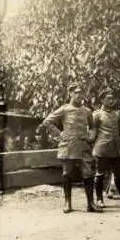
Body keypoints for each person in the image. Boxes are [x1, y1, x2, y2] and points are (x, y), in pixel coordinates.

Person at [42, 82, 101, 213]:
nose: (79, 95)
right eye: (76, 93)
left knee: (88, 174)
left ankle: (90, 204)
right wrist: (60, 134)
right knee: (67, 173)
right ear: (70, 94)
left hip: (84, 147)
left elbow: (92, 127)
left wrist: (91, 137)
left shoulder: (87, 111)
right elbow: (47, 122)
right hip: (68, 146)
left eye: (81, 93)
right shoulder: (64, 109)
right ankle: (67, 203)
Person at [91, 88, 120, 207]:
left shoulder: (117, 113)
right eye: (108, 98)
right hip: (102, 148)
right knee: (100, 174)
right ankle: (99, 199)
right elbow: (93, 132)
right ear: (102, 100)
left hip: (116, 148)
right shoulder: (97, 114)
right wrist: (94, 147)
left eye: (112, 98)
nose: (111, 100)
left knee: (118, 174)